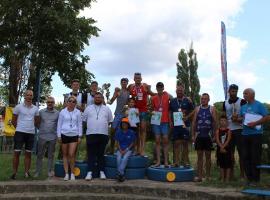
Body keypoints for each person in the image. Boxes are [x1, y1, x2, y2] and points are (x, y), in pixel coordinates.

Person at [238, 88, 269, 186]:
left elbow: (267, 117)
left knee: (255, 156)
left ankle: (255, 180)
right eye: (243, 93)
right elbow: (241, 119)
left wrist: (255, 123)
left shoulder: (259, 105)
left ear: (252, 94)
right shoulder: (243, 107)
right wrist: (236, 118)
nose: (244, 95)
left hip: (256, 135)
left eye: (246, 93)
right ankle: (249, 178)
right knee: (245, 156)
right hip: (244, 134)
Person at [84, 92, 113, 180]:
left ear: (102, 98)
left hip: (103, 134)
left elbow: (110, 121)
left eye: (99, 97)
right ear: (94, 98)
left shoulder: (107, 109)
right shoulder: (88, 108)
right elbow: (84, 121)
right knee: (91, 154)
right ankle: (89, 172)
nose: (97, 99)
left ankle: (102, 172)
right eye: (96, 97)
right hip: (91, 134)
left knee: (101, 154)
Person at [10, 90, 39, 179]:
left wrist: (29, 127)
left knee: (28, 154)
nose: (29, 97)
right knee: (17, 153)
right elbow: (13, 120)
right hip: (20, 132)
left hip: (30, 133)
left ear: (32, 97)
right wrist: (19, 128)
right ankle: (14, 173)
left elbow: (37, 121)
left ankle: (26, 172)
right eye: (28, 95)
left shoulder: (35, 108)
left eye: (31, 95)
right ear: (24, 96)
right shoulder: (18, 107)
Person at [222, 84, 246, 179]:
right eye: (232, 91)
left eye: (236, 91)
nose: (234, 93)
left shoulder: (242, 101)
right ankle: (231, 174)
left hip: (239, 129)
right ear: (229, 91)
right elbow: (223, 116)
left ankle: (242, 174)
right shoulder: (225, 102)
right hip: (229, 130)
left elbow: (246, 115)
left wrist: (239, 119)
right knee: (229, 153)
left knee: (241, 152)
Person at [192, 93, 217, 182]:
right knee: (199, 157)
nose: (203, 100)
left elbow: (214, 122)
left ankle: (208, 176)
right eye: (202, 99)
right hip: (199, 135)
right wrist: (193, 135)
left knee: (208, 157)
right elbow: (194, 122)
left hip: (208, 136)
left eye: (205, 99)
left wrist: (215, 135)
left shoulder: (212, 108)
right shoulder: (197, 109)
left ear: (208, 100)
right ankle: (199, 176)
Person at [129, 72, 155, 155]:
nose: (138, 79)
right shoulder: (131, 87)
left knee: (143, 129)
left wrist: (162, 94)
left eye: (139, 78)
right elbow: (126, 94)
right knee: (135, 130)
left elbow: (152, 94)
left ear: (141, 78)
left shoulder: (145, 85)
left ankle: (142, 149)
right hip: (134, 111)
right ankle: (136, 149)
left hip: (143, 110)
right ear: (134, 79)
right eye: (136, 78)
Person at [57, 96, 82, 181]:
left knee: (71, 154)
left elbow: (80, 124)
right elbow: (59, 124)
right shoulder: (62, 112)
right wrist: (59, 135)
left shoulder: (78, 112)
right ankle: (66, 174)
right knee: (65, 154)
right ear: (67, 102)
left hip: (74, 135)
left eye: (74, 101)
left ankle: (72, 173)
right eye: (70, 101)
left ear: (75, 103)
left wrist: (80, 136)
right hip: (64, 134)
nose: (71, 103)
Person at [170, 84, 194, 167]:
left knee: (185, 143)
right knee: (176, 143)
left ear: (184, 91)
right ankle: (176, 162)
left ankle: (185, 162)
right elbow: (170, 112)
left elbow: (193, 111)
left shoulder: (188, 100)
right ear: (176, 91)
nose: (179, 91)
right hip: (176, 126)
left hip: (185, 125)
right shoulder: (173, 101)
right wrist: (170, 122)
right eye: (178, 90)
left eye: (181, 90)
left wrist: (187, 117)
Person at [35, 97, 59, 178]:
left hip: (52, 137)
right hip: (42, 136)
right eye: (48, 102)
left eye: (52, 102)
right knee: (39, 155)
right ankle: (37, 172)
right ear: (46, 103)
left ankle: (49, 171)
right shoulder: (41, 112)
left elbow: (59, 125)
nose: (50, 103)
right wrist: (41, 130)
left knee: (50, 155)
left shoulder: (57, 113)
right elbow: (37, 123)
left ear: (54, 103)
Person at [151, 82, 170, 167]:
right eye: (158, 87)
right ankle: (158, 161)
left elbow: (174, 99)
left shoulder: (167, 95)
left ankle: (166, 161)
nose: (159, 88)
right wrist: (151, 112)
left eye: (161, 87)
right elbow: (151, 108)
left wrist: (187, 97)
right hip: (156, 120)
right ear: (156, 88)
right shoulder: (153, 98)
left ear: (163, 88)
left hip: (165, 121)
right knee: (157, 140)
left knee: (165, 140)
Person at [109, 78, 130, 154]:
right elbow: (111, 102)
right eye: (123, 82)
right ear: (121, 83)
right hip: (118, 113)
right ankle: (111, 148)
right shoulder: (118, 91)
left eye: (125, 82)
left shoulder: (128, 92)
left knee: (122, 132)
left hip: (125, 114)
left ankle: (120, 149)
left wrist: (127, 106)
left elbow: (130, 102)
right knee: (113, 130)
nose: (124, 83)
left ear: (127, 83)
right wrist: (114, 95)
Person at [115, 117, 136, 182]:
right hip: (120, 149)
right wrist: (120, 150)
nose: (124, 125)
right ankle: (121, 174)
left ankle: (119, 174)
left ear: (128, 125)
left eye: (126, 124)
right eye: (123, 124)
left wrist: (126, 150)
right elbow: (117, 142)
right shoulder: (118, 132)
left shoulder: (131, 132)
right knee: (118, 158)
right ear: (121, 124)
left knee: (125, 158)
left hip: (128, 150)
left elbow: (132, 143)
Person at [215, 115, 232, 182]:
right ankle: (222, 178)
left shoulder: (229, 130)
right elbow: (217, 140)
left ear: (227, 122)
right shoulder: (217, 131)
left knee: (228, 164)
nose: (223, 122)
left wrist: (223, 147)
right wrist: (221, 147)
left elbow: (228, 140)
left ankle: (227, 178)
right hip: (220, 149)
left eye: (224, 121)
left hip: (227, 149)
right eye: (221, 120)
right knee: (221, 164)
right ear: (219, 122)